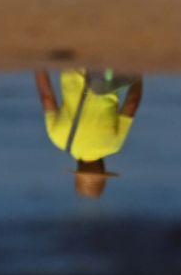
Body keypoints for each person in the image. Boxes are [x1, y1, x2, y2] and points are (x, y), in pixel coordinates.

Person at [36, 68, 144, 198]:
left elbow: (132, 103)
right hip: (72, 65)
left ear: (103, 168)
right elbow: (46, 97)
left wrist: (139, 76)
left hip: (106, 71)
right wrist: (39, 66)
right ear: (78, 168)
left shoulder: (113, 145)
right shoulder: (58, 138)